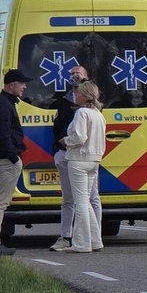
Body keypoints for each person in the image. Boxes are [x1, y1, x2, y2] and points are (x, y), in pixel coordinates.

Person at [50, 65, 101, 252]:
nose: (75, 96)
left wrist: (65, 140)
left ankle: (82, 243)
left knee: (82, 202)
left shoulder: (82, 112)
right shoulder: (96, 113)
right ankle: (94, 240)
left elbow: (79, 137)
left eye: (78, 93)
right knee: (84, 201)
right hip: (91, 159)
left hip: (78, 159)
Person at [0, 69, 30, 256]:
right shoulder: (4, 104)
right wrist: (13, 157)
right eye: (22, 83)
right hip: (6, 160)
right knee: (1, 203)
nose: (24, 86)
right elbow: (3, 134)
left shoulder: (6, 102)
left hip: (6, 158)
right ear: (12, 85)